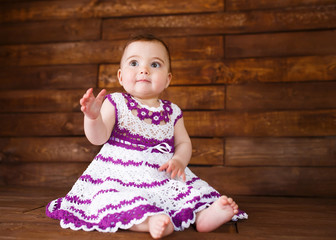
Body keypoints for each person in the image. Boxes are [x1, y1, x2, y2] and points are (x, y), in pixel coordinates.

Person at [46, 34, 244, 239]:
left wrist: (178, 160)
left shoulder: (173, 111)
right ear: (121, 77)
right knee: (113, 200)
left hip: (161, 176)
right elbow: (98, 138)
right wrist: (93, 118)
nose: (144, 69)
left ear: (168, 79)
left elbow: (184, 143)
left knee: (188, 192)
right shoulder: (116, 102)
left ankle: (204, 216)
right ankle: (150, 221)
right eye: (134, 63)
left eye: (155, 64)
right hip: (120, 177)